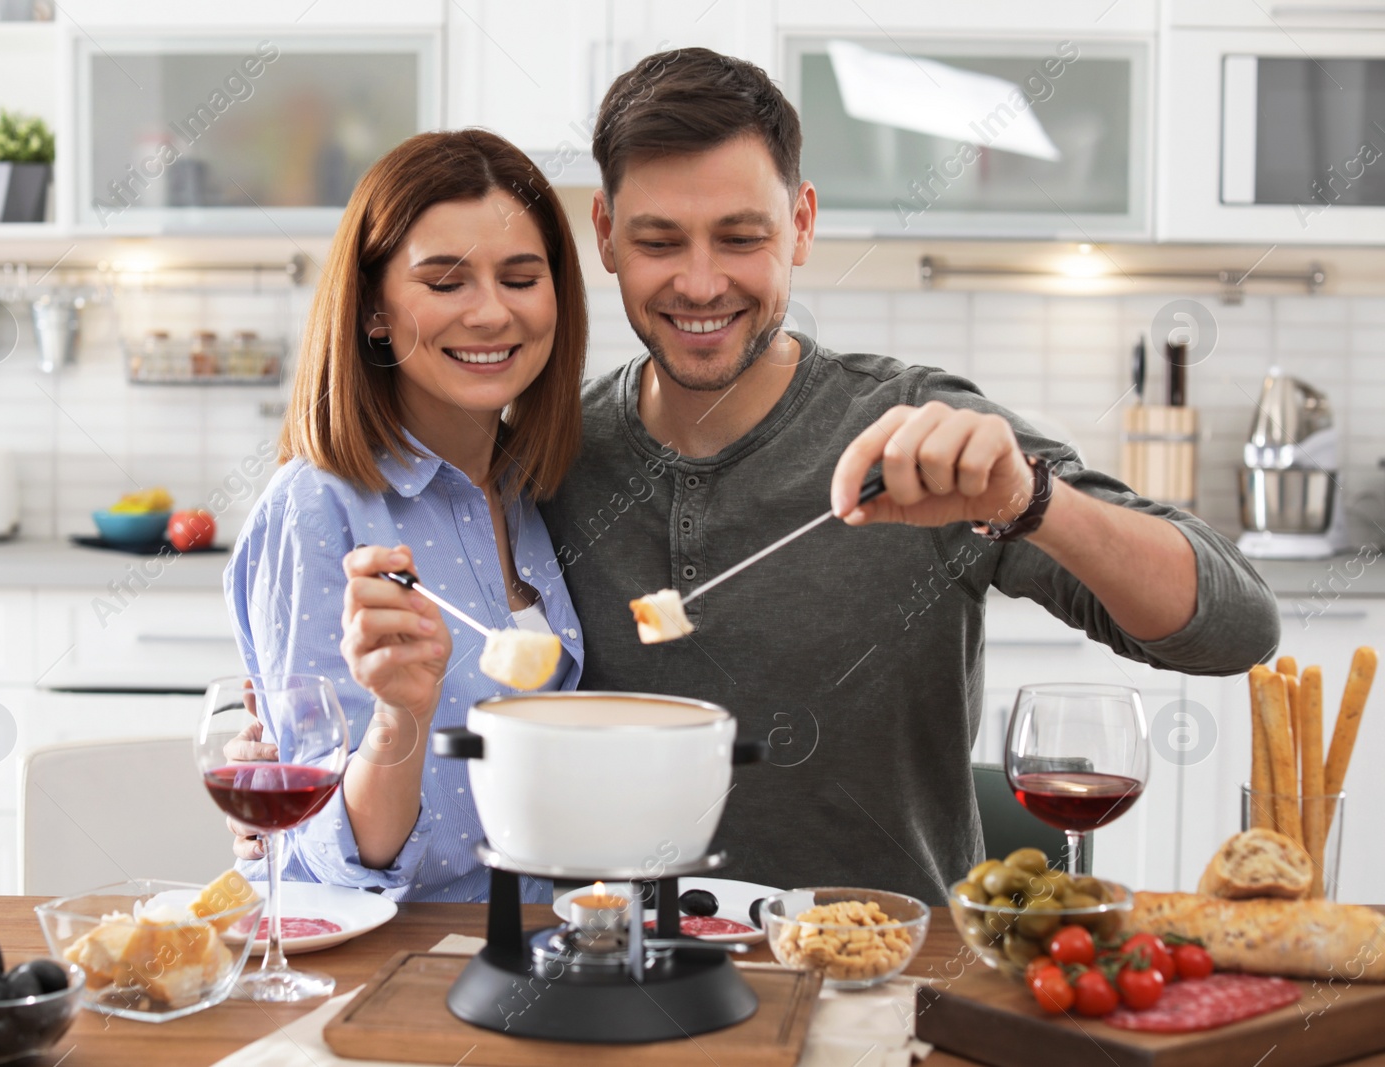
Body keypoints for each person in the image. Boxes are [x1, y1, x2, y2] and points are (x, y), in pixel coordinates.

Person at [538, 48, 1280, 905]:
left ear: (803, 225)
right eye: (658, 240)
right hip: (614, 982)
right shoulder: (550, 450)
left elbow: (1238, 628)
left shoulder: (916, 430)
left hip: (887, 989)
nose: (700, 282)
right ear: (603, 236)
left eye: (742, 238)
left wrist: (1028, 502)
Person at [223, 129, 589, 903]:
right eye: (446, 282)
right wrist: (401, 715)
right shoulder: (319, 506)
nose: (491, 313)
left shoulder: (531, 488)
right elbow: (334, 853)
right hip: (396, 967)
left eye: (521, 277)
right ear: (374, 313)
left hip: (538, 947)